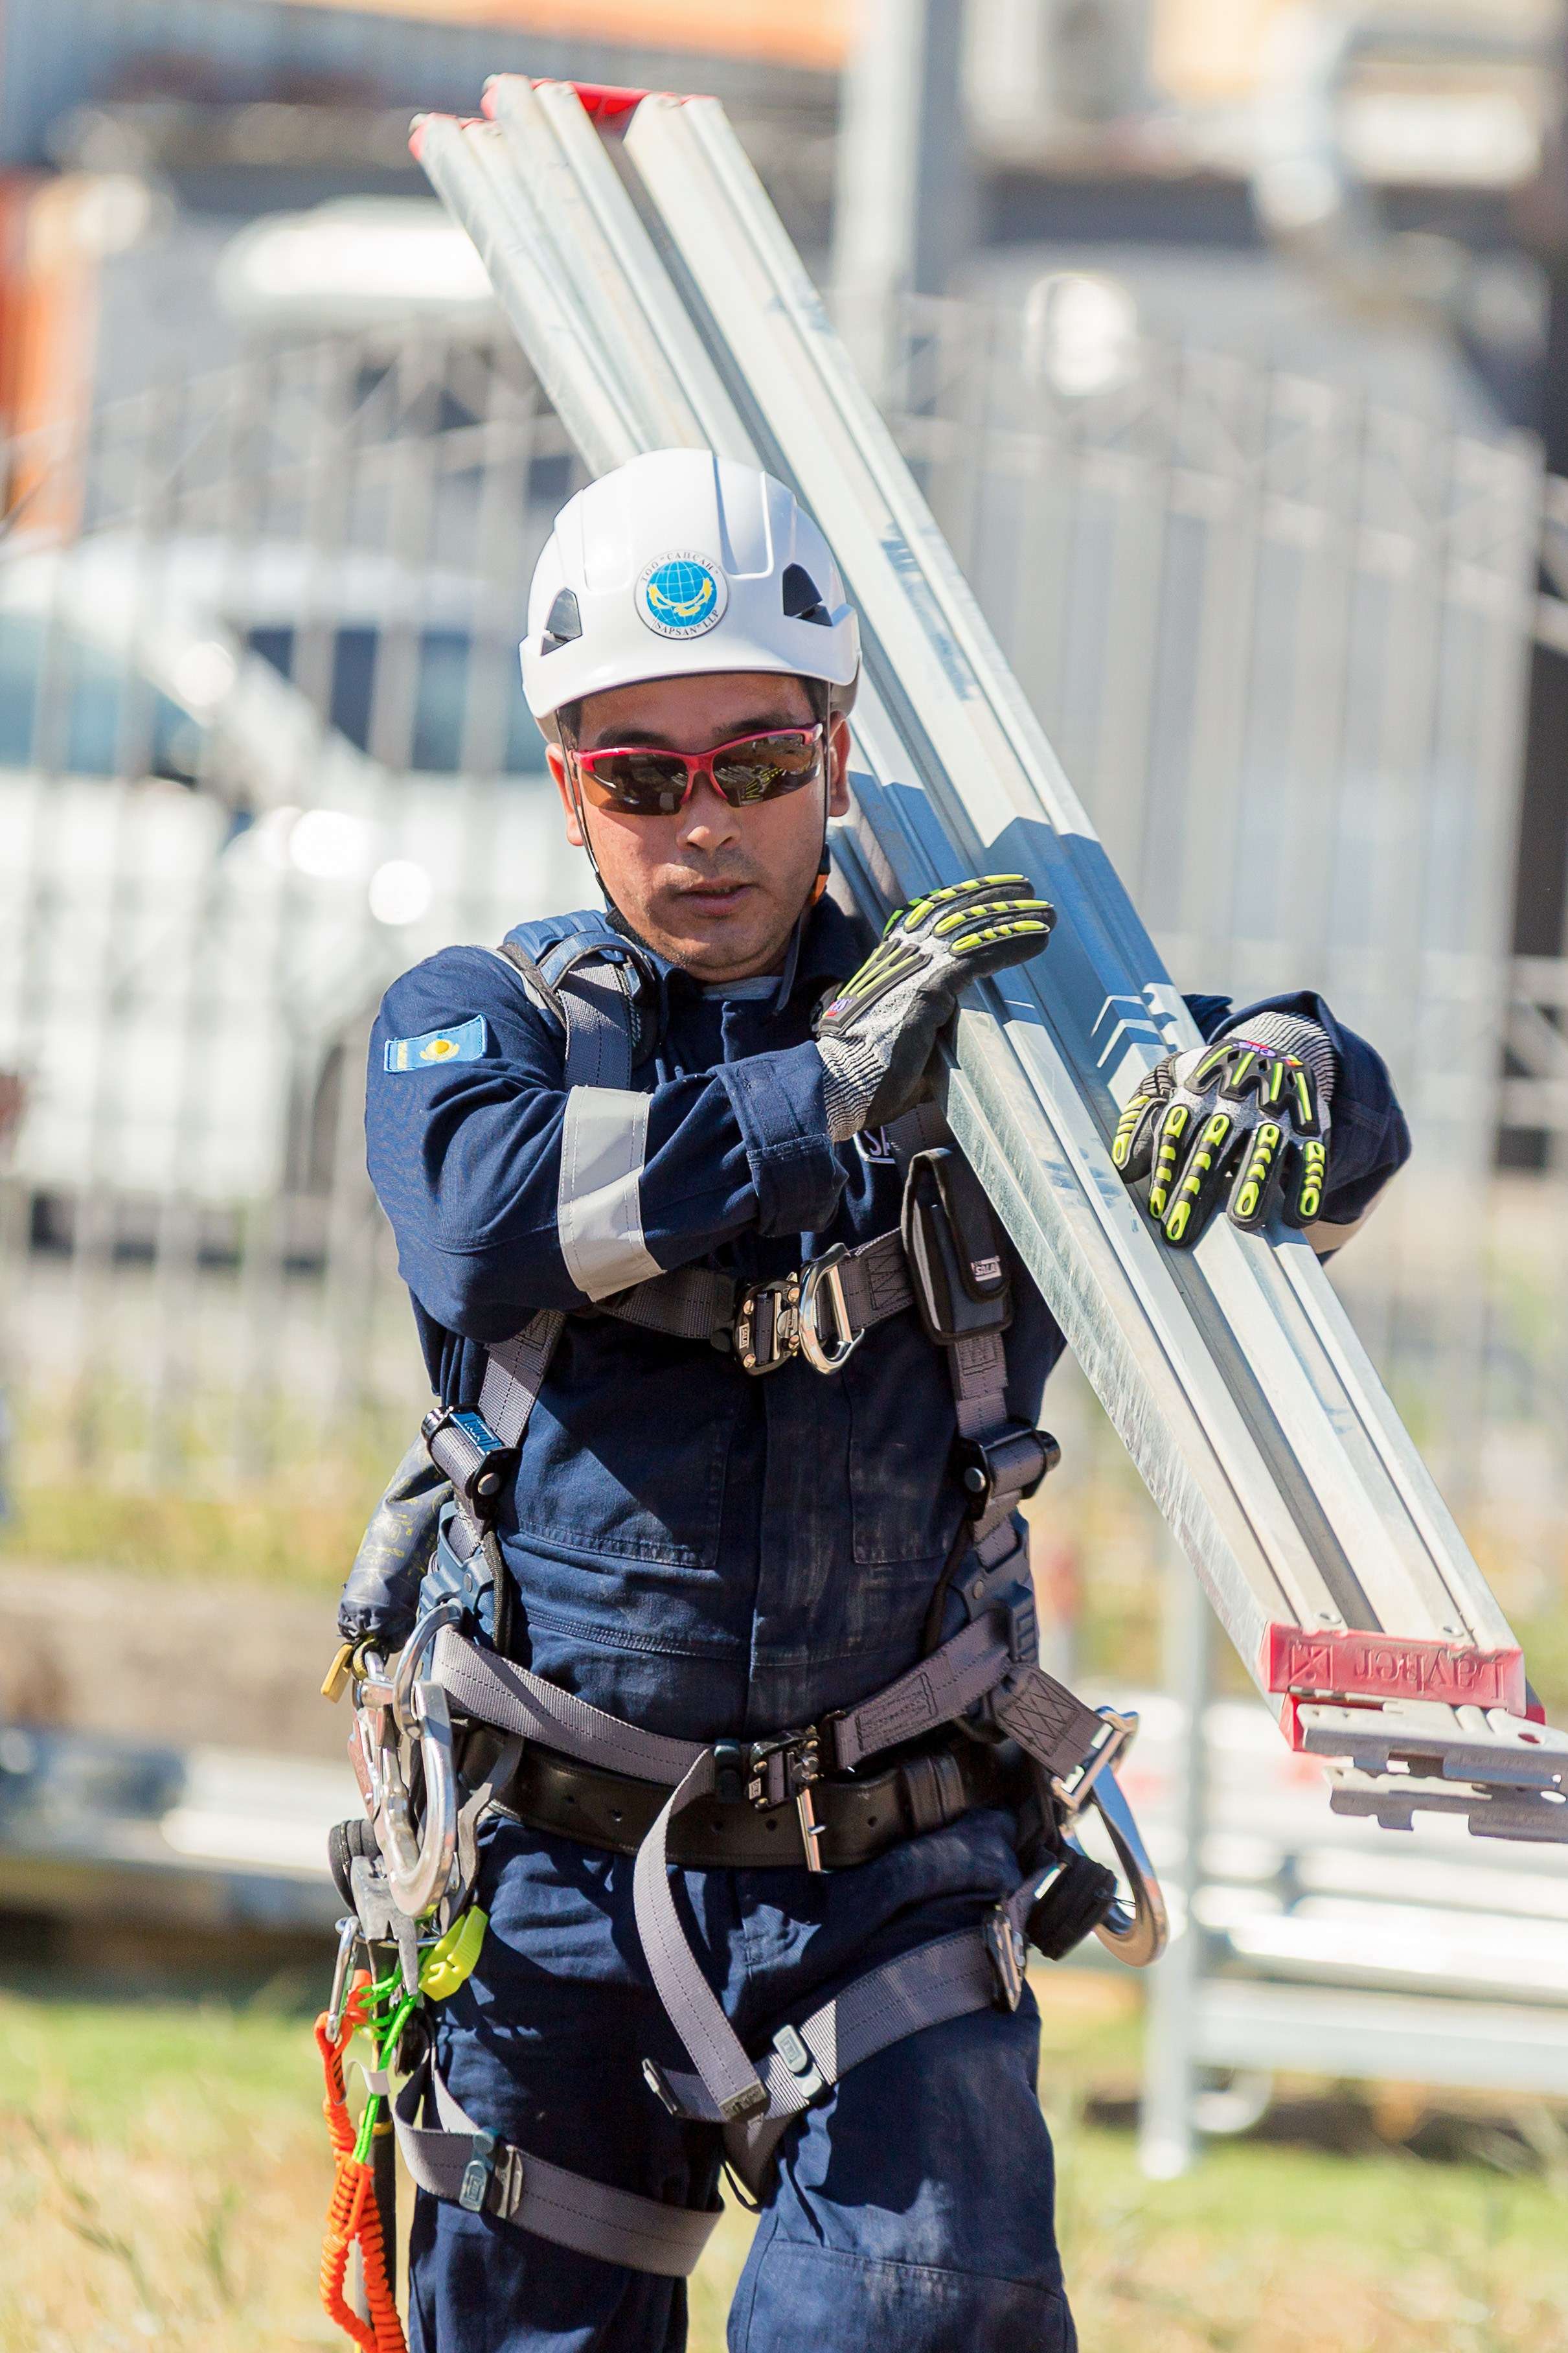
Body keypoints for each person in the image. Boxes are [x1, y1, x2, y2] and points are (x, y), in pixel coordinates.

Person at [347, 448, 1410, 2353]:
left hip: (891, 1878)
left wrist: (1298, 1069)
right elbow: (484, 1222)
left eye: (757, 763)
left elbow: (1294, 1157)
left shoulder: (999, 1039)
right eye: (641, 778)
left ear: (836, 756)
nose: (705, 825)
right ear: (567, 785)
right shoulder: (487, 1022)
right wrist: (823, 1089)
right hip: (545, 1885)